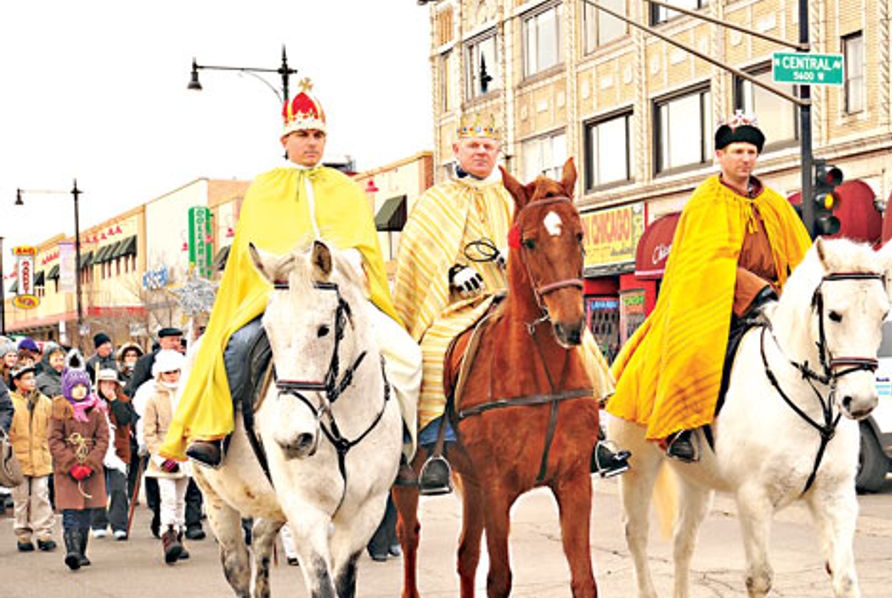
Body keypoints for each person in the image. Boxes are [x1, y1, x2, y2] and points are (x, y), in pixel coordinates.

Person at [158, 80, 422, 477]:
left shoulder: (345, 189)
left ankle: (399, 443)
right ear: (285, 139)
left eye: (318, 135)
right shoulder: (265, 188)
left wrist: (343, 259)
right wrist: (291, 268)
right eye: (303, 135)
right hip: (280, 297)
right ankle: (217, 434)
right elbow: (255, 252)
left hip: (341, 298)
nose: (312, 143)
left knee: (406, 354)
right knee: (238, 347)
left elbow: (364, 247)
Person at [393, 113, 628, 493]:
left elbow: (546, 240)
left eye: (488, 146)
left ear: (498, 151)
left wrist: (516, 252)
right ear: (456, 151)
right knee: (434, 349)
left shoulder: (518, 195)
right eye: (473, 146)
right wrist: (451, 272)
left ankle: (594, 433)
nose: (481, 152)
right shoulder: (435, 201)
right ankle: (435, 444)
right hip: (463, 306)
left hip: (517, 298)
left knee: (575, 336)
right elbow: (419, 255)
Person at [608, 112, 811, 463]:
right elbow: (704, 262)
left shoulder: (774, 202)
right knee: (695, 349)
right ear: (720, 155)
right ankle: (681, 427)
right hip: (716, 301)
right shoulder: (706, 200)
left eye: (751, 152)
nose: (745, 159)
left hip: (776, 298)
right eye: (737, 151)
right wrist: (756, 293)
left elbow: (801, 253)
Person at [48, 352, 110, 570]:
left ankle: (82, 550)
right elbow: (54, 440)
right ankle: (72, 550)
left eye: (83, 386)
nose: (80, 390)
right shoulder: (60, 411)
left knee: (86, 510)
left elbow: (103, 438)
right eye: (75, 387)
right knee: (71, 511)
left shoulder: (97, 410)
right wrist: (71, 464)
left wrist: (92, 463)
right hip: (68, 470)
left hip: (91, 468)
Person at [143, 350, 190, 563]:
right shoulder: (152, 398)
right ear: (160, 374)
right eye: (167, 372)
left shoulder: (188, 395)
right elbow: (149, 433)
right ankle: (168, 537)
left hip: (184, 455)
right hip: (162, 456)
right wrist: (162, 458)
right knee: (168, 498)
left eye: (175, 372)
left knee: (181, 500)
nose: (172, 376)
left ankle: (179, 536)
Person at [8, 364, 56, 553]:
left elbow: (51, 426)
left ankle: (44, 533)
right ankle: (23, 535)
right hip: (17, 458)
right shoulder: (9, 402)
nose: (32, 381)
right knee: (21, 498)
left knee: (41, 495)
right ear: (17, 382)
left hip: (41, 456)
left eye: (32, 378)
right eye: (26, 378)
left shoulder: (44, 402)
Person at [93, 368, 133, 540]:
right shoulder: (91, 403)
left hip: (117, 451)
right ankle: (98, 524)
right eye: (104, 383)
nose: (108, 386)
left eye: (111, 383)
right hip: (97, 450)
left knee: (118, 488)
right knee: (97, 489)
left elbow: (125, 419)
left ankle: (119, 525)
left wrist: (114, 401)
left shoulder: (124, 400)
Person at [126, 328, 182, 397]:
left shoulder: (184, 359)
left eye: (178, 340)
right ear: (161, 342)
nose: (176, 343)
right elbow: (135, 388)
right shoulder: (146, 361)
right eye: (172, 340)